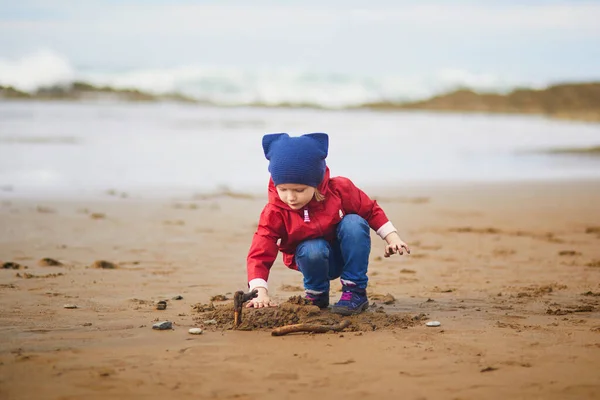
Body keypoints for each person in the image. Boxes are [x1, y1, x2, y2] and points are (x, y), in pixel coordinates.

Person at [245, 133, 410, 315]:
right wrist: (259, 291)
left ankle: (354, 291)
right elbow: (260, 250)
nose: (290, 197)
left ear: (316, 183)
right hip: (309, 259)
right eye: (283, 189)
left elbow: (370, 210)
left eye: (300, 190)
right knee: (312, 247)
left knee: (354, 222)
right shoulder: (275, 211)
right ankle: (317, 293)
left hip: (344, 255)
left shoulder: (339, 190)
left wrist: (392, 238)